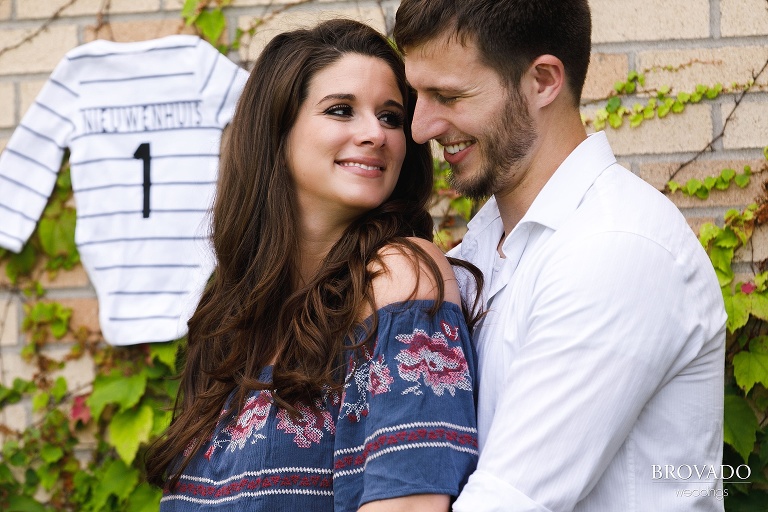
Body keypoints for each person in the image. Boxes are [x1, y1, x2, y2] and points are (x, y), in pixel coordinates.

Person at [394, 1, 727, 511]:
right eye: (418, 94)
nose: (420, 128)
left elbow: (508, 502)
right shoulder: (482, 247)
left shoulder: (616, 249)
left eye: (448, 96)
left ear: (544, 81)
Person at [144, 19, 482, 512]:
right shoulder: (230, 314)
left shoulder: (398, 276)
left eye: (390, 117)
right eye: (342, 110)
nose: (375, 134)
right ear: (276, 132)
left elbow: (411, 504)